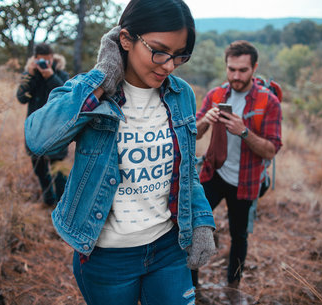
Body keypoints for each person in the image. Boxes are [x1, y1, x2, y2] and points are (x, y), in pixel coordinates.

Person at [24, 0, 217, 304]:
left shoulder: (182, 95)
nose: (168, 65)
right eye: (159, 50)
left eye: (179, 55)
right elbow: (40, 139)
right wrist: (102, 80)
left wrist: (202, 219)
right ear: (126, 39)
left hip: (168, 247)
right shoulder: (91, 93)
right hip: (108, 257)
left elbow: (186, 168)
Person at [194, 41, 282, 304]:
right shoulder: (216, 95)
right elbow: (192, 133)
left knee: (239, 235)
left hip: (246, 180)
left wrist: (243, 132)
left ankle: (232, 289)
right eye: (231, 69)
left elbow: (270, 150)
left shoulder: (269, 102)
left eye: (243, 70)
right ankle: (192, 287)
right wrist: (205, 121)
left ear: (254, 68)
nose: (235, 76)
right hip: (213, 173)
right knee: (195, 227)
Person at [17, 43, 69, 206]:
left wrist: (50, 76)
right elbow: (21, 97)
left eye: (48, 60)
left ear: (52, 58)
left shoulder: (61, 74)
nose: (45, 64)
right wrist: (31, 75)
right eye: (41, 61)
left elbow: (67, 97)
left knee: (58, 168)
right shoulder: (30, 75)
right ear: (35, 59)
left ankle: (61, 203)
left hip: (57, 128)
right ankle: (48, 199)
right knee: (39, 166)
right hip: (36, 128)